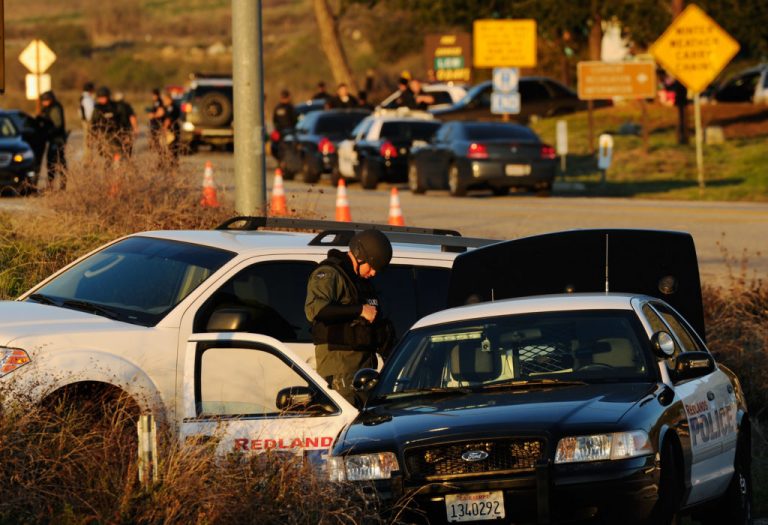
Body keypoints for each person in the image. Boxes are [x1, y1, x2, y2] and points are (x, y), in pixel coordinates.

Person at [305, 230, 394, 406]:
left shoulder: (360, 282)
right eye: (372, 266)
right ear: (360, 256)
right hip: (340, 374)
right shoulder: (330, 274)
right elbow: (316, 309)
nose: (374, 273)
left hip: (363, 372)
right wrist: (359, 310)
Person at [37, 91, 68, 189]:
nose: (44, 103)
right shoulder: (48, 108)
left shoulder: (55, 108)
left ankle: (61, 185)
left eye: (46, 101)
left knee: (57, 162)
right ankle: (52, 185)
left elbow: (57, 125)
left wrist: (48, 131)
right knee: (52, 163)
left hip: (57, 139)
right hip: (53, 139)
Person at [90, 86, 122, 159]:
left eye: (104, 97)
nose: (102, 99)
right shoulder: (97, 108)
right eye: (100, 97)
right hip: (102, 135)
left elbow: (120, 119)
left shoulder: (115, 106)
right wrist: (93, 135)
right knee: (106, 155)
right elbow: (93, 123)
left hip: (114, 134)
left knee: (117, 154)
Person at [113, 92, 139, 157]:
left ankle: (117, 163)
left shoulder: (112, 106)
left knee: (117, 149)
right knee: (127, 149)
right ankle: (126, 162)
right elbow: (132, 117)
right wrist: (136, 128)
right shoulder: (127, 106)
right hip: (127, 131)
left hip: (116, 131)